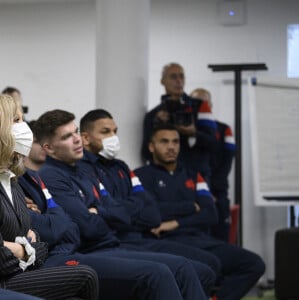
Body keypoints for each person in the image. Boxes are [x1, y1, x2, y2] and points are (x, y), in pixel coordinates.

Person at [34, 109, 210, 300]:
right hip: (87, 252)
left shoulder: (84, 171)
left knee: (184, 268)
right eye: (67, 136)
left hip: (110, 245)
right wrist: (105, 216)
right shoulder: (51, 175)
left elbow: (122, 215)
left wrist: (99, 211)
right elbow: (88, 227)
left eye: (76, 131)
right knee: (157, 273)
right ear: (49, 148)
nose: (77, 139)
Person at [79, 108, 223, 296]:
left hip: (140, 237)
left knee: (206, 269)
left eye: (115, 131)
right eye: (106, 132)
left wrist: (119, 211)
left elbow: (153, 214)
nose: (113, 137)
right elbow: (108, 216)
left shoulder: (121, 167)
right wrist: (128, 210)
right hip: (117, 242)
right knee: (186, 269)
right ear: (86, 138)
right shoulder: (82, 169)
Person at [134, 124, 266, 300]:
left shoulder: (193, 175)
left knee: (254, 264)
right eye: (164, 142)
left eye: (175, 142)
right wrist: (190, 206)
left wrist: (175, 222)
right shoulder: (138, 176)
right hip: (166, 241)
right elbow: (152, 213)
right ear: (152, 146)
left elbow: (211, 214)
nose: (171, 147)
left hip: (200, 239)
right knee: (207, 264)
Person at [0, 94, 99, 300]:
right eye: (16, 120)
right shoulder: (46, 175)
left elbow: (40, 240)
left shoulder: (12, 180)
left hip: (19, 272)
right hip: (7, 278)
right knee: (86, 275)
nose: (24, 127)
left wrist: (22, 249)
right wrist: (25, 249)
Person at [141, 63, 217, 183]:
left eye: (181, 76)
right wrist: (158, 128)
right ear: (162, 81)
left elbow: (214, 143)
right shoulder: (154, 115)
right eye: (173, 77)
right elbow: (146, 151)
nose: (179, 81)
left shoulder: (200, 106)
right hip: (164, 177)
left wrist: (193, 133)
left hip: (196, 176)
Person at [190, 88, 236, 242]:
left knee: (220, 235)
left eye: (204, 102)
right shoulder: (185, 131)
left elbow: (227, 162)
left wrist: (212, 191)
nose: (201, 105)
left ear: (211, 105)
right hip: (192, 190)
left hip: (217, 191)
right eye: (197, 102)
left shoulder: (225, 130)